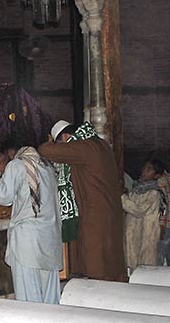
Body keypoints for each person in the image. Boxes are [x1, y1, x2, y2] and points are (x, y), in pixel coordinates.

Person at [39, 120, 126, 281]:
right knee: (111, 260)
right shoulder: (101, 144)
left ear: (65, 137)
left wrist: (50, 141)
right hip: (109, 211)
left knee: (98, 263)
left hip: (96, 215)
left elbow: (45, 150)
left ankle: (102, 301)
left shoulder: (83, 147)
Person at [0, 141, 63, 304]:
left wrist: (3, 171)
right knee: (50, 296)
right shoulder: (48, 167)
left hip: (27, 239)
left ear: (13, 152)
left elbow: (3, 198)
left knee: (28, 296)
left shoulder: (16, 166)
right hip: (50, 238)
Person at [122, 159, 166, 272]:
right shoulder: (137, 190)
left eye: (149, 169)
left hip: (147, 235)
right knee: (131, 264)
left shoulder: (154, 193)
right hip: (133, 235)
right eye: (144, 168)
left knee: (146, 267)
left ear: (157, 175)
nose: (144, 171)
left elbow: (138, 210)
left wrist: (121, 197)